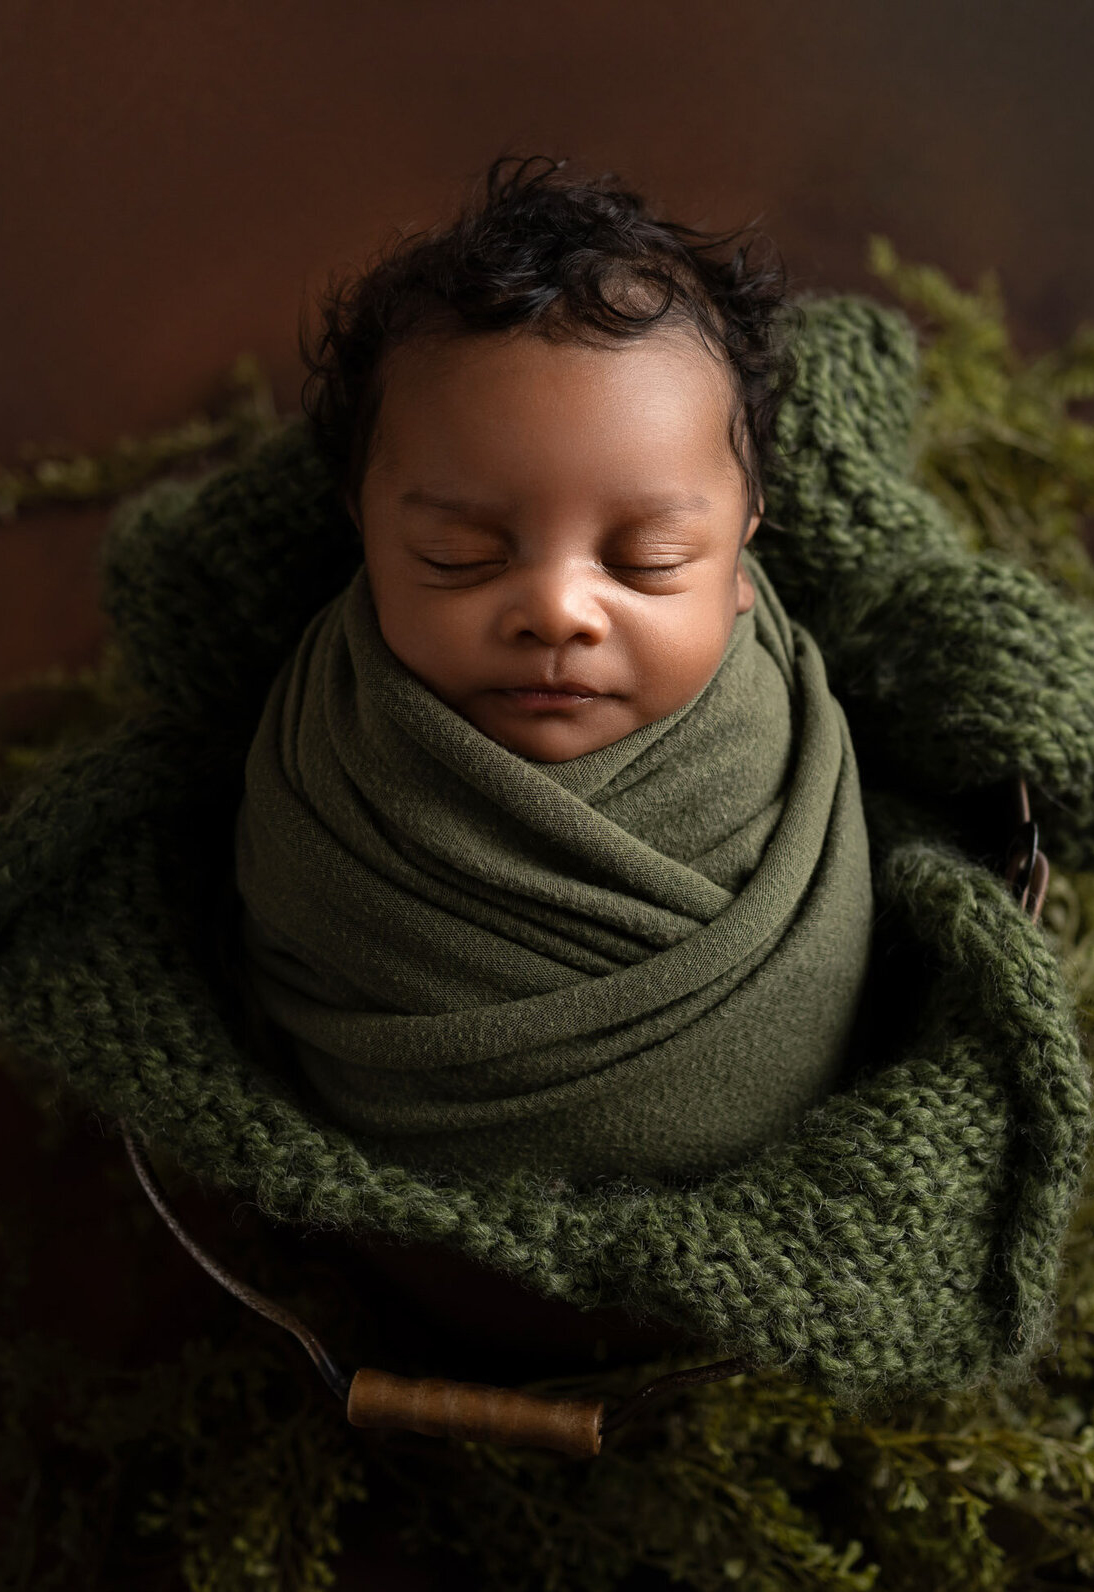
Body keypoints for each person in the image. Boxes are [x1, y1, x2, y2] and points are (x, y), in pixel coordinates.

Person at [233, 155, 876, 1184]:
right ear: (364, 532)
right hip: (408, 1253)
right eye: (460, 558)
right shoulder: (327, 761)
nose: (558, 612)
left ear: (743, 553)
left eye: (649, 561)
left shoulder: (781, 737)